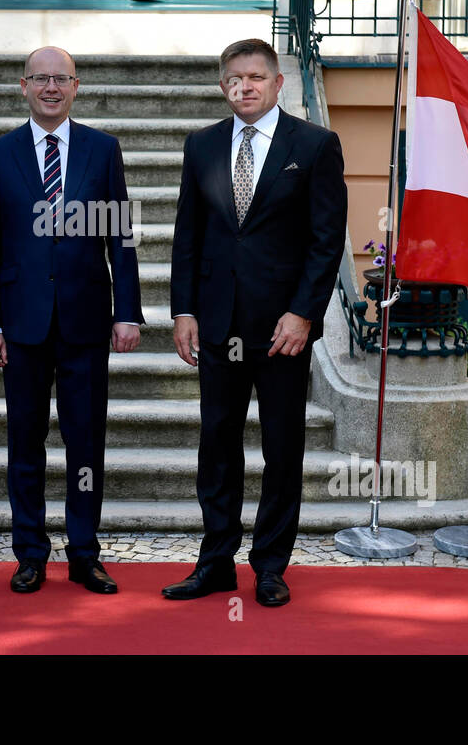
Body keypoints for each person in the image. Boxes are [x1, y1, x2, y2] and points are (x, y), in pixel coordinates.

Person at [164, 38, 346, 607]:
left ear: (277, 83)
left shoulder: (314, 145)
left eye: (255, 77)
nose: (244, 87)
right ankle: (215, 561)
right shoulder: (202, 146)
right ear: (223, 87)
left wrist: (304, 313)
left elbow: (326, 240)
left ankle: (270, 565)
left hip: (281, 330)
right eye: (233, 79)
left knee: (281, 446)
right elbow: (187, 235)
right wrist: (184, 310)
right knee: (216, 444)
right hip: (217, 324)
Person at [0, 46, 144, 595]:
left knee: (85, 444)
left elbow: (121, 236)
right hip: (20, 325)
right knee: (25, 444)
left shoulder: (103, 149)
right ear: (22, 86)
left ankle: (84, 553)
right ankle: (29, 553)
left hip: (86, 323)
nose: (51, 87)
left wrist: (128, 312)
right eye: (40, 79)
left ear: (76, 86)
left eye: (61, 79)